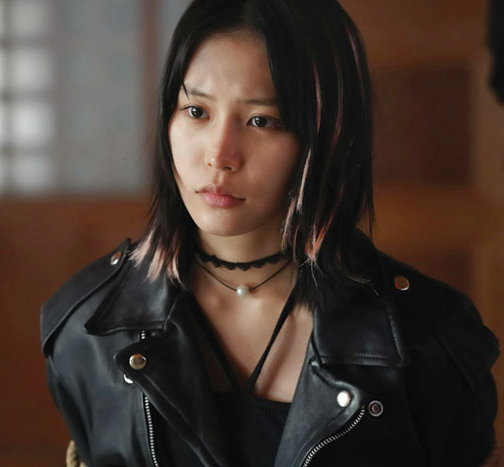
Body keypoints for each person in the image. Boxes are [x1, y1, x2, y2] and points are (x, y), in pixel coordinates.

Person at [40, 0, 500, 465]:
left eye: (261, 120)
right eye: (196, 111)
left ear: (328, 136)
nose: (220, 155)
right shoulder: (87, 328)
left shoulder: (427, 341)